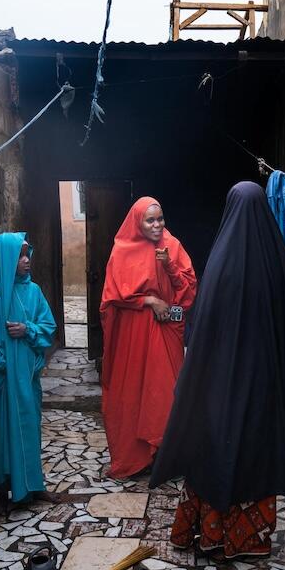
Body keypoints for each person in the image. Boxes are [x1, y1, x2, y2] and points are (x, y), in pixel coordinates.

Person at [150, 182, 285, 560]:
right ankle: (248, 539)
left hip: (218, 385)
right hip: (263, 383)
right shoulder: (279, 267)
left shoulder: (220, 264)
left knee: (214, 449)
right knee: (255, 449)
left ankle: (210, 535)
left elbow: (202, 328)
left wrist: (196, 377)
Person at [100, 197, 197, 479]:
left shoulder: (172, 246)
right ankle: (135, 458)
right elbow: (112, 297)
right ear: (137, 222)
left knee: (164, 393)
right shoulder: (122, 251)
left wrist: (168, 266)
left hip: (165, 333)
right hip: (134, 334)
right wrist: (150, 300)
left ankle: (163, 456)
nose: (157, 225)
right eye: (150, 220)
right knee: (133, 392)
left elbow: (188, 292)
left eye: (160, 219)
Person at [0, 233, 57, 515]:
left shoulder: (34, 292)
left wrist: (27, 330)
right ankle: (3, 491)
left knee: (29, 429)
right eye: (19, 255)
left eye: (26, 253)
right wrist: (3, 364)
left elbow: (48, 326)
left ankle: (34, 484)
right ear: (4, 259)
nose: (26, 260)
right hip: (1, 380)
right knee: (0, 433)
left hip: (26, 380)